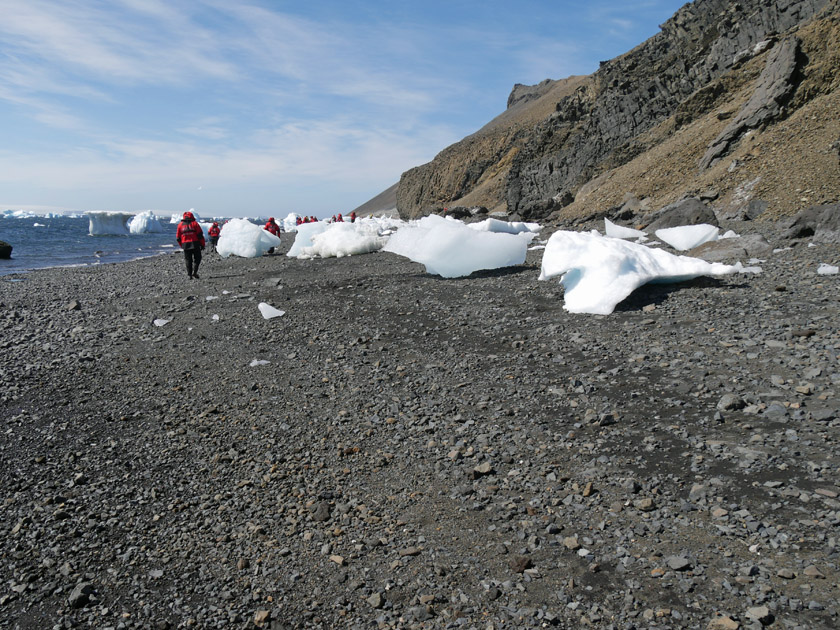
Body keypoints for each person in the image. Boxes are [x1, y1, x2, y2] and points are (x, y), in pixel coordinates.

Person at [176, 211, 205, 279]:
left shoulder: (180, 225)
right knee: (197, 258)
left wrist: (182, 245)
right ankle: (194, 272)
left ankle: (189, 275)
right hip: (195, 244)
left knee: (188, 260)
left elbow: (178, 237)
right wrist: (202, 244)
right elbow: (200, 235)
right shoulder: (195, 224)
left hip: (185, 245)